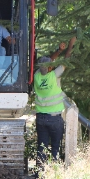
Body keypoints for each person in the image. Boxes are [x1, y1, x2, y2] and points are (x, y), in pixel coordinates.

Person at [33, 36, 77, 171]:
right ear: (50, 67)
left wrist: (59, 50)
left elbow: (50, 61)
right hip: (54, 119)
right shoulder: (54, 75)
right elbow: (66, 60)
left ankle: (39, 173)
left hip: (41, 118)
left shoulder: (36, 75)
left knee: (42, 146)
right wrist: (70, 45)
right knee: (55, 146)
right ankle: (55, 172)